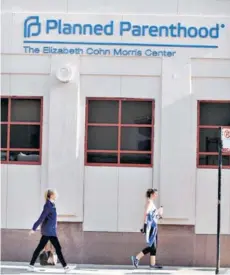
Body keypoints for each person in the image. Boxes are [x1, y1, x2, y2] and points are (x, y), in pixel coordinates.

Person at [28, 189, 76, 272]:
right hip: (48, 231)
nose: (56, 195)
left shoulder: (52, 205)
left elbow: (51, 218)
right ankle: (65, 267)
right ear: (51, 195)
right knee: (55, 248)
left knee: (42, 248)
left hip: (51, 231)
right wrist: (34, 228)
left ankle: (31, 265)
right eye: (55, 194)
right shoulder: (48, 205)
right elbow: (41, 218)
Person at [131, 188, 163, 269]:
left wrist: (159, 214)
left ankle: (152, 264)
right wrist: (144, 226)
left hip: (154, 226)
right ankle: (137, 258)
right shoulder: (149, 202)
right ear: (152, 194)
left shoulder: (151, 203)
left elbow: (152, 215)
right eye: (155, 194)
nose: (156, 195)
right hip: (151, 227)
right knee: (151, 246)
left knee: (154, 247)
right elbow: (146, 214)